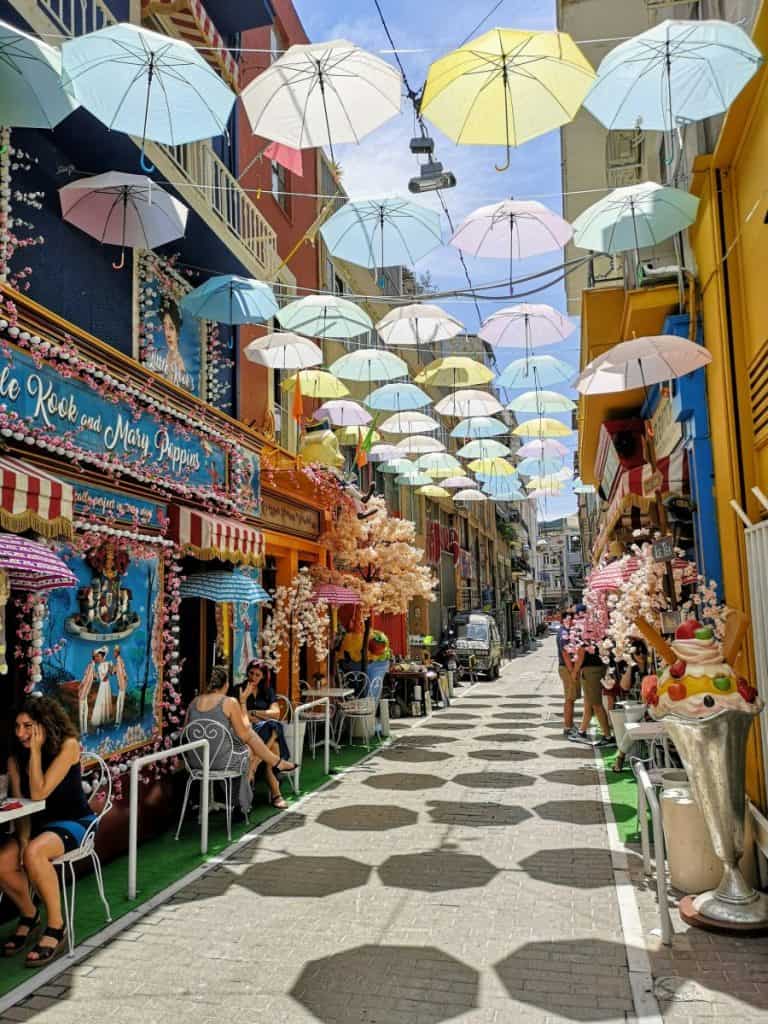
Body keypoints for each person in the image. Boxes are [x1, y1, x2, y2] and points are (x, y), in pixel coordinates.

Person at [0, 697, 96, 965]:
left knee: (34, 852)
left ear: (44, 725)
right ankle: (30, 914)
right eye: (17, 726)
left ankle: (56, 926)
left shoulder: (68, 745)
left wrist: (36, 752)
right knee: (4, 860)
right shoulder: (15, 758)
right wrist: (22, 838)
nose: (20, 733)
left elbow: (39, 792)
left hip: (75, 821)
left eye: (27, 726)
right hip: (38, 827)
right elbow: (23, 806)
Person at [186, 666, 294, 818]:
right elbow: (244, 734)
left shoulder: (193, 702)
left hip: (195, 762)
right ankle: (242, 804)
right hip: (220, 762)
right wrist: (242, 702)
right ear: (226, 684)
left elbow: (186, 733)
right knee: (248, 753)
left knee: (251, 749)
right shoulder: (229, 701)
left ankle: (272, 767)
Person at [233, 661, 290, 810]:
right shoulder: (239, 689)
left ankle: (253, 766)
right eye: (251, 673)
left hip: (261, 734)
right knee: (273, 736)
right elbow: (238, 716)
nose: (253, 677)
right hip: (246, 733)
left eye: (257, 675)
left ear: (263, 676)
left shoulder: (267, 691)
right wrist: (261, 716)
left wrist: (254, 713)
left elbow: (276, 713)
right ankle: (277, 796)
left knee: (272, 726)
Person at [569, 634, 615, 748]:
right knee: (589, 703)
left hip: (591, 671)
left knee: (596, 705)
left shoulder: (586, 630)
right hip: (598, 668)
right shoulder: (599, 630)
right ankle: (582, 731)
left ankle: (608, 736)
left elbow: (581, 653)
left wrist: (575, 671)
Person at [556, 612, 580, 737]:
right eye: (570, 619)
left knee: (571, 697)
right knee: (569, 698)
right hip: (567, 668)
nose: (573, 622)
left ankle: (570, 724)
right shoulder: (563, 633)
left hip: (567, 668)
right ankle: (567, 726)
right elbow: (565, 654)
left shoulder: (567, 631)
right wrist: (572, 671)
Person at [161, 301, 187, 380]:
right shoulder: (167, 356)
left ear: (177, 333)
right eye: (164, 328)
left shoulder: (179, 363)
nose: (167, 334)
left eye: (171, 328)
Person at [89, 647, 113, 729]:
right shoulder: (99, 666)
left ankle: (106, 720)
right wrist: (94, 675)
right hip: (103, 685)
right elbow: (101, 678)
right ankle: (100, 721)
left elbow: (111, 673)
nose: (98, 658)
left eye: (99, 656)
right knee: (101, 701)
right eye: (97, 657)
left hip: (107, 685)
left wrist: (111, 667)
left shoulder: (107, 663)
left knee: (106, 700)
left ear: (103, 657)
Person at [113, 645, 128, 726]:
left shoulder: (119, 661)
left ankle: (118, 721)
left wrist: (121, 683)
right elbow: (115, 672)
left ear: (117, 653)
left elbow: (122, 673)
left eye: (114, 652)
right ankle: (118, 721)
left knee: (120, 703)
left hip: (122, 685)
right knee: (120, 703)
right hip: (122, 684)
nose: (113, 654)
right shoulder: (119, 661)